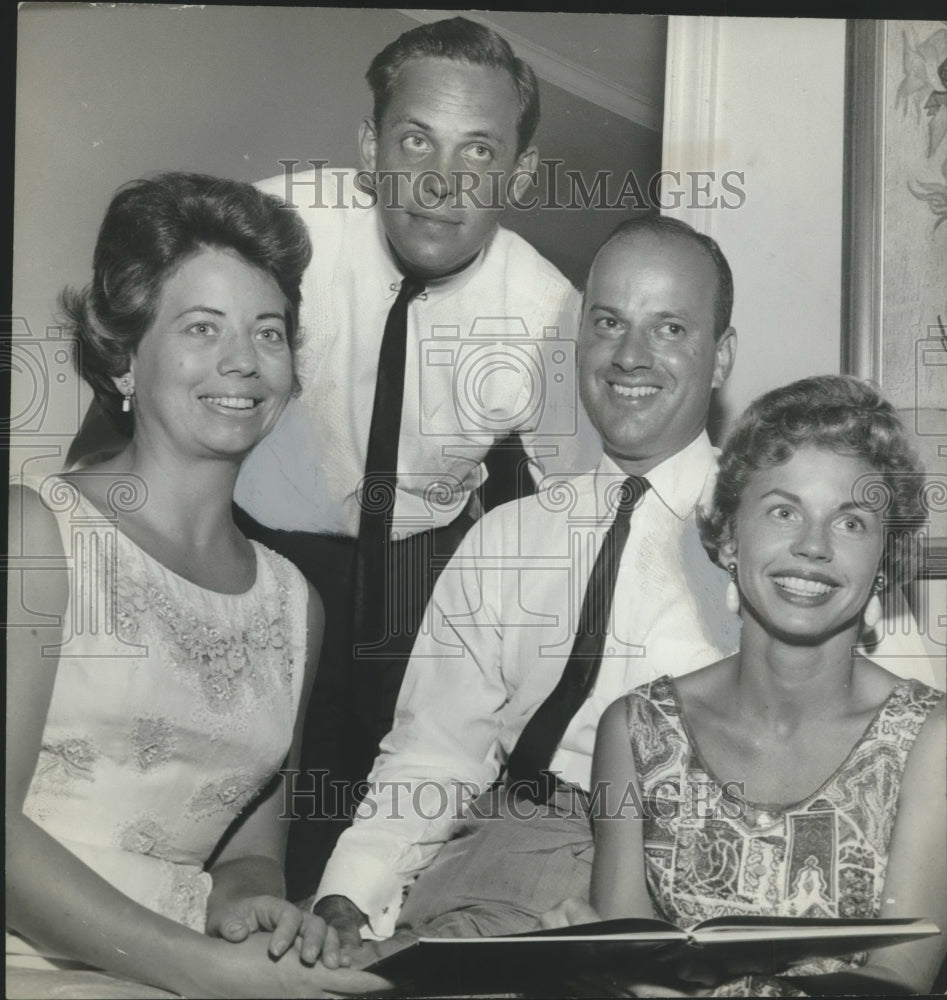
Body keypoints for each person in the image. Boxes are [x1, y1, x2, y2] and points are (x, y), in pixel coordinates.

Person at [312, 217, 939, 957]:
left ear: (719, 356)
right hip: (487, 865)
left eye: (669, 327)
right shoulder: (505, 538)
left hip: (683, 881)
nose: (631, 355)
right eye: (607, 322)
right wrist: (346, 898)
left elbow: (891, 749)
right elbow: (433, 753)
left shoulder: (787, 545)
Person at [231, 14, 599, 895]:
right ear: (369, 147)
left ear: (520, 172)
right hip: (255, 551)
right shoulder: (273, 227)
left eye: (478, 153)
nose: (439, 184)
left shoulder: (549, 313)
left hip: (415, 574)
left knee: (384, 829)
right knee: (236, 811)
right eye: (414, 141)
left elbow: (578, 516)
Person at [5, 173, 386, 999]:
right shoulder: (36, 532)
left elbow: (249, 859)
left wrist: (257, 915)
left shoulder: (295, 606)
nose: (242, 362)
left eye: (269, 332)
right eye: (201, 328)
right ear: (124, 355)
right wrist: (206, 971)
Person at [545, 375, 946, 996]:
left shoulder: (931, 739)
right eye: (784, 511)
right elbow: (631, 961)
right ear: (730, 536)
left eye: (851, 523)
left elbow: (901, 979)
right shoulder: (636, 733)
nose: (812, 546)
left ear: (885, 560)